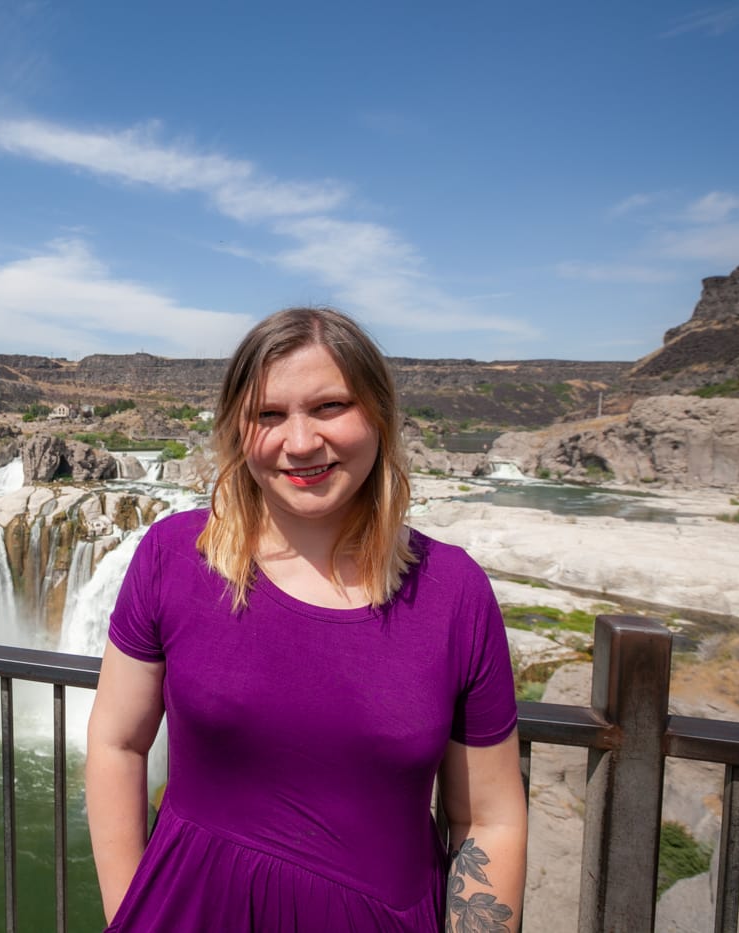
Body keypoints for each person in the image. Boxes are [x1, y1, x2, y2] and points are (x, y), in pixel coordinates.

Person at [85, 307, 527, 932]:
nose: (299, 443)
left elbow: (489, 820)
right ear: (239, 429)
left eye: (329, 407)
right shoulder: (173, 557)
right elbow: (117, 743)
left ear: (378, 413)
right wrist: (129, 916)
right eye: (269, 414)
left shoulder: (454, 593)